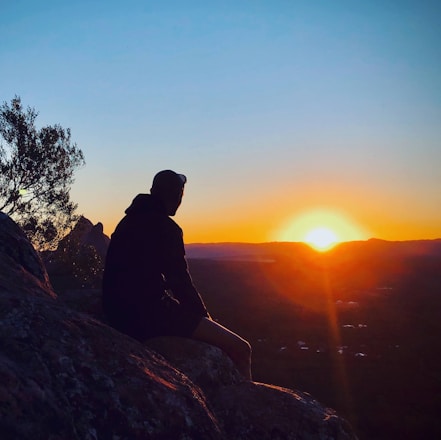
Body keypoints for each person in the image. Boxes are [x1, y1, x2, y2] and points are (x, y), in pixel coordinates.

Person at [102, 169, 252, 380]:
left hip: (116, 312)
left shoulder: (126, 222)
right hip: (149, 315)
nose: (180, 200)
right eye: (180, 194)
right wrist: (203, 317)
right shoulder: (167, 228)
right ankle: (248, 402)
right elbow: (180, 281)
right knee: (242, 348)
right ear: (175, 195)